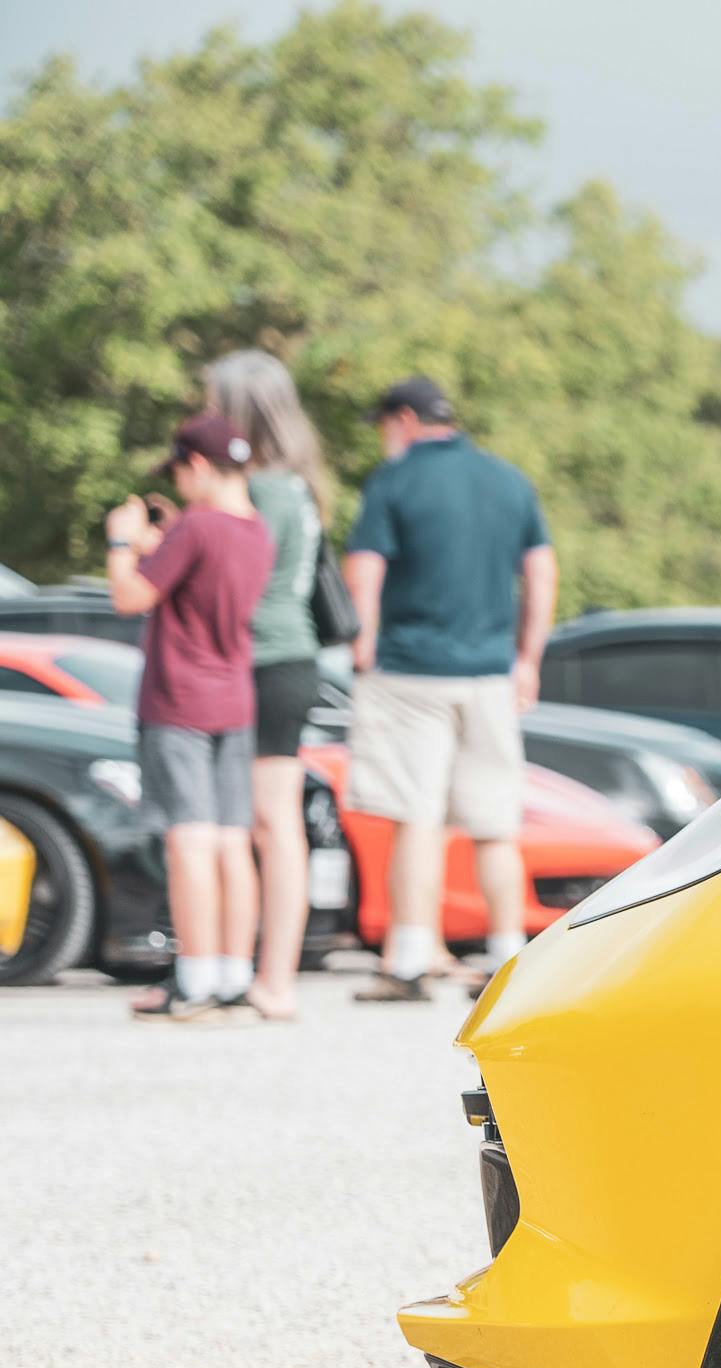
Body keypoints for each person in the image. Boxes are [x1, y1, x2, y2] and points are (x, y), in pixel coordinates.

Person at [341, 377, 555, 1003]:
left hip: (409, 671)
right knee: (494, 826)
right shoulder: (508, 480)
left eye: (384, 427)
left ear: (403, 420)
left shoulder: (396, 480)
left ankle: (407, 962)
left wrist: (363, 638)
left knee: (416, 818)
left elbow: (364, 569)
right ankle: (508, 958)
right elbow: (540, 573)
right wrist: (528, 657)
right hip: (490, 673)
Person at [102, 412, 272, 1021]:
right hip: (234, 699)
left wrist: (122, 540)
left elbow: (130, 596)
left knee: (189, 843)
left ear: (197, 466)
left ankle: (194, 977)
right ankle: (232, 974)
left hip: (179, 700)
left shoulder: (196, 525)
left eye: (177, 472)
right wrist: (165, 542)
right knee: (231, 842)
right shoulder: (256, 530)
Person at [202, 350, 331, 1020]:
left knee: (267, 822)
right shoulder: (297, 486)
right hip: (287, 660)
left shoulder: (266, 491)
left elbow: (238, 583)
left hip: (265, 659)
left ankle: (269, 976)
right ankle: (259, 972)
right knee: (268, 822)